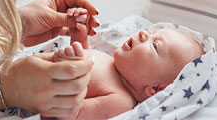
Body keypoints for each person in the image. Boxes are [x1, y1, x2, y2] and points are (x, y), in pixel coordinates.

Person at [52, 8, 205, 120]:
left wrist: (68, 69)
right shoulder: (110, 61)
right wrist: (79, 40)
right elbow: (86, 61)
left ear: (155, 89)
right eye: (151, 33)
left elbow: (72, 114)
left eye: (155, 45)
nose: (143, 33)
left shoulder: (121, 101)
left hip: (35, 97)